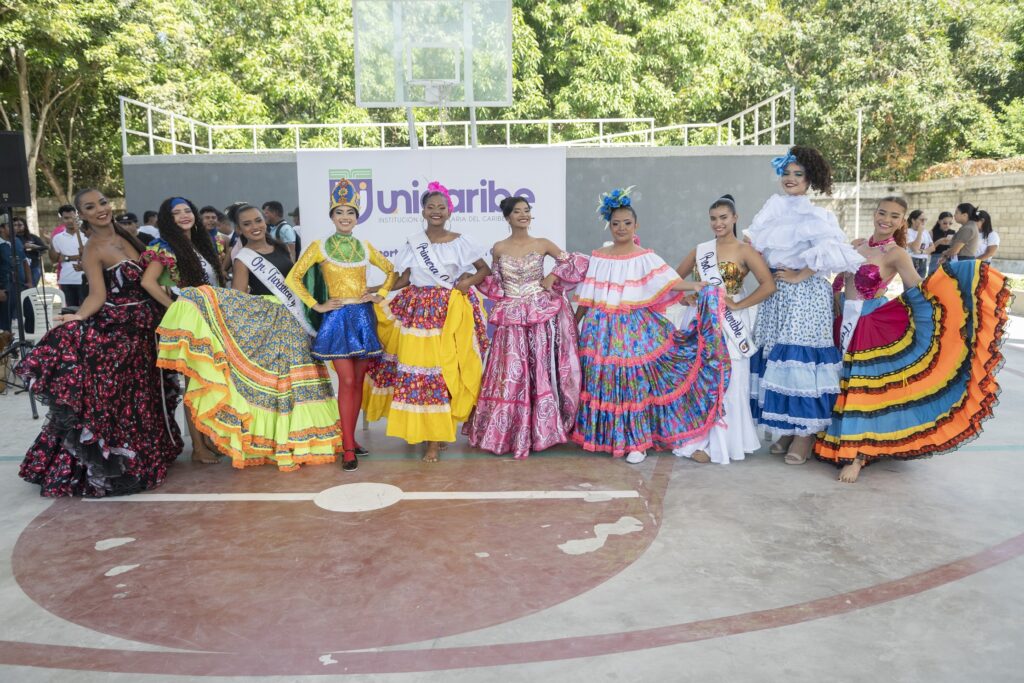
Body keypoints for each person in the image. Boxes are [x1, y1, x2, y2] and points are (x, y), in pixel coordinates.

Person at [815, 196, 1010, 483]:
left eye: (895, 216)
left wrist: (953, 291)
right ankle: (834, 437)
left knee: (863, 391)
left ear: (901, 222)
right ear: (875, 213)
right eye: (882, 213)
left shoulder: (897, 253)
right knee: (839, 383)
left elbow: (918, 290)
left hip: (870, 324)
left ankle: (858, 454)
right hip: (843, 322)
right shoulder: (857, 245)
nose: (886, 219)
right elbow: (840, 281)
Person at [16, 188, 183, 497]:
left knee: (143, 393)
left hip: (149, 328)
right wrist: (78, 317)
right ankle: (114, 463)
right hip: (121, 329)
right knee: (119, 397)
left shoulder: (131, 238)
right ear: (83, 215)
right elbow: (97, 295)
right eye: (90, 207)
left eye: (103, 202)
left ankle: (150, 451)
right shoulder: (93, 248)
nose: (100, 209)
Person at [156, 203, 342, 472]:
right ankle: (277, 443)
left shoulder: (282, 247)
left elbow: (297, 285)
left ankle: (306, 440)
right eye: (247, 224)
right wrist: (200, 299)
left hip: (293, 323)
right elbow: (240, 300)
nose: (255, 226)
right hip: (268, 326)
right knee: (278, 385)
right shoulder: (243, 257)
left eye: (258, 220)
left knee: (297, 383)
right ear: (239, 229)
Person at [572, 187, 730, 463]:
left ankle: (636, 442)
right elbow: (588, 297)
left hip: (633, 329)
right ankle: (608, 438)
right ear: (609, 225)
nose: (621, 228)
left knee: (631, 382)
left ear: (636, 225)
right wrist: (574, 324)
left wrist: (697, 285)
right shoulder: (598, 255)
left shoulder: (645, 256)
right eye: (616, 223)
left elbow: (668, 281)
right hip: (599, 330)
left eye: (627, 223)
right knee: (604, 381)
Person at [746, 146, 864, 465]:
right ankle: (787, 426)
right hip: (776, 296)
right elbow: (754, 248)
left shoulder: (816, 215)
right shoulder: (771, 209)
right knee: (777, 362)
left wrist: (801, 274)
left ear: (810, 179)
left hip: (804, 296)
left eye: (798, 174)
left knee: (798, 362)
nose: (791, 179)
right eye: (786, 173)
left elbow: (831, 250)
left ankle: (805, 434)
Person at [362, 181, 491, 463]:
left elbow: (484, 270)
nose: (436, 211)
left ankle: (437, 439)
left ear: (449, 211)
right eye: (430, 207)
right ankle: (422, 431)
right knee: (417, 374)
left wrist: (467, 282)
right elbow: (405, 278)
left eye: (441, 207)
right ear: (422, 210)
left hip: (447, 312)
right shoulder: (413, 242)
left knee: (441, 372)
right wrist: (376, 290)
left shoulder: (461, 241)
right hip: (415, 310)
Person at [465, 195, 589, 459]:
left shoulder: (542, 243)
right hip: (511, 316)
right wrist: (468, 281)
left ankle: (542, 431)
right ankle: (508, 433)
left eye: (527, 210)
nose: (523, 215)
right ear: (507, 217)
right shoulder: (498, 247)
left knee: (539, 370)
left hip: (539, 315)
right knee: (511, 372)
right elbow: (495, 283)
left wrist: (552, 276)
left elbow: (575, 261)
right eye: (517, 211)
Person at [285, 180, 396, 471]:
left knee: (358, 382)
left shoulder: (364, 246)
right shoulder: (319, 246)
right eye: (340, 212)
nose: (345, 217)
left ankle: (349, 436)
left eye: (351, 212)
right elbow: (293, 278)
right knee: (346, 381)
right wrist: (316, 304)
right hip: (336, 319)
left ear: (357, 217)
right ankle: (348, 447)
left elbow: (391, 271)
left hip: (362, 318)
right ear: (332, 216)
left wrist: (379, 294)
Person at [671, 194, 776, 465]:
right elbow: (672, 281)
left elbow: (768, 285)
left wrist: (738, 304)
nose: (718, 223)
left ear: (735, 218)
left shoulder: (745, 250)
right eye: (713, 218)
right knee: (700, 379)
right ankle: (700, 439)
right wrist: (685, 296)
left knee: (731, 381)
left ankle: (725, 442)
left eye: (723, 218)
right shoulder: (700, 249)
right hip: (700, 321)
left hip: (731, 324)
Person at [141, 196, 228, 464]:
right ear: (168, 219)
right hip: (190, 321)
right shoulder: (165, 247)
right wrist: (174, 307)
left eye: (187, 210)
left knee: (210, 379)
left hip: (212, 316)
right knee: (193, 382)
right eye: (176, 213)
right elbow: (148, 282)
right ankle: (198, 448)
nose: (183, 216)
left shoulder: (206, 243)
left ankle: (208, 438)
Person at [49, 209, 88, 308]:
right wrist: (50, 242)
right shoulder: (57, 238)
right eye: (66, 218)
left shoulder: (86, 234)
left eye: (73, 218)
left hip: (85, 278)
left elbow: (89, 255)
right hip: (66, 280)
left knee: (87, 309)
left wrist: (67, 257)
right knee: (71, 310)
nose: (70, 221)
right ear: (61, 219)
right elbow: (54, 259)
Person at [0, 218, 31, 332]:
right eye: (10, 226)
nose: (15, 229)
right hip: (6, 287)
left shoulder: (17, 241)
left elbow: (24, 261)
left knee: (30, 314)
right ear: (1, 229)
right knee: (5, 321)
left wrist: (30, 282)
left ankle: (29, 344)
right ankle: (6, 348)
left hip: (22, 285)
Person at [13, 216, 47, 287]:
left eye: (19, 225)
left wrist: (33, 246)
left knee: (32, 289)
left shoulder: (32, 237)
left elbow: (45, 248)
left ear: (24, 225)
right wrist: (22, 247)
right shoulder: (12, 238)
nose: (17, 227)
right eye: (15, 225)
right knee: (21, 290)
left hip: (34, 266)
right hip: (19, 268)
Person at [905, 209, 931, 278]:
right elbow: (915, 248)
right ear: (913, 220)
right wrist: (919, 233)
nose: (924, 222)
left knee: (920, 285)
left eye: (925, 220)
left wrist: (921, 252)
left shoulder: (925, 232)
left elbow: (932, 247)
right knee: (910, 285)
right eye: (922, 220)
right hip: (912, 260)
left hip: (923, 261)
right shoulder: (907, 232)